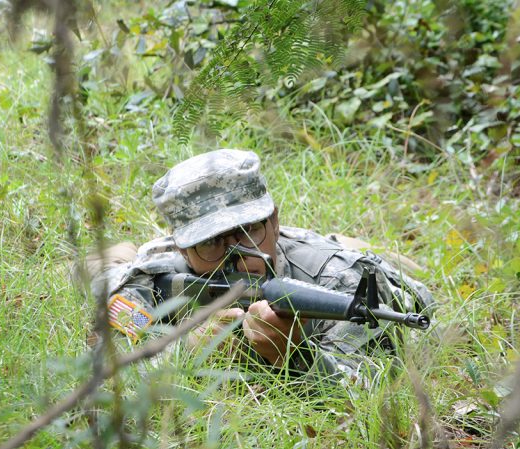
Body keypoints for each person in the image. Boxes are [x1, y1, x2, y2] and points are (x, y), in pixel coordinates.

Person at [87, 149, 433, 382]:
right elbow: (111, 362)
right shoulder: (157, 272)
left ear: (274, 220)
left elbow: (364, 388)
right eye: (210, 241)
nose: (238, 255)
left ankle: (346, 241)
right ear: (183, 247)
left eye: (249, 230)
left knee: (370, 258)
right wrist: (187, 351)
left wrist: (295, 356)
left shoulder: (340, 282)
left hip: (333, 262)